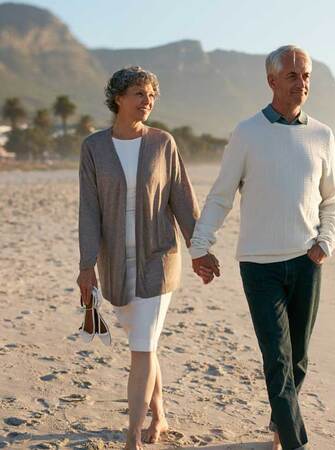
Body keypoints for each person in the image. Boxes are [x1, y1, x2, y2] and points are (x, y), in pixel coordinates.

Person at [190, 45, 335, 450]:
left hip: (307, 262)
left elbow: (330, 200)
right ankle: (294, 443)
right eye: (292, 75)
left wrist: (325, 243)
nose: (301, 82)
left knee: (299, 360)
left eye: (306, 75)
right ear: (271, 80)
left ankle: (279, 428)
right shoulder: (247, 133)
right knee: (277, 358)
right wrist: (200, 246)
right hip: (259, 266)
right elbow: (221, 196)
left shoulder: (322, 135)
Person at [77, 66, 201, 450]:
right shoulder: (94, 147)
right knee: (143, 341)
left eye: (151, 95)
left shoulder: (163, 143)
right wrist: (87, 265)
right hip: (115, 265)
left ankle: (133, 436)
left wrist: (201, 249)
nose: (147, 101)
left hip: (158, 260)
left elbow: (182, 199)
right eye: (138, 93)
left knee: (143, 346)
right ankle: (160, 415)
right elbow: (89, 210)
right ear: (118, 97)